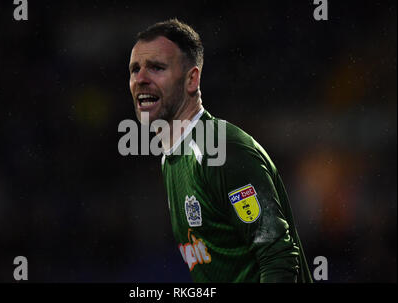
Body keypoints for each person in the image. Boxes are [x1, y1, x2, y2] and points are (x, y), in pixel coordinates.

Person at [128, 18, 313, 282]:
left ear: (192, 79)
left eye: (157, 68)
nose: (141, 79)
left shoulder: (222, 149)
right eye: (135, 70)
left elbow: (278, 258)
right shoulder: (172, 159)